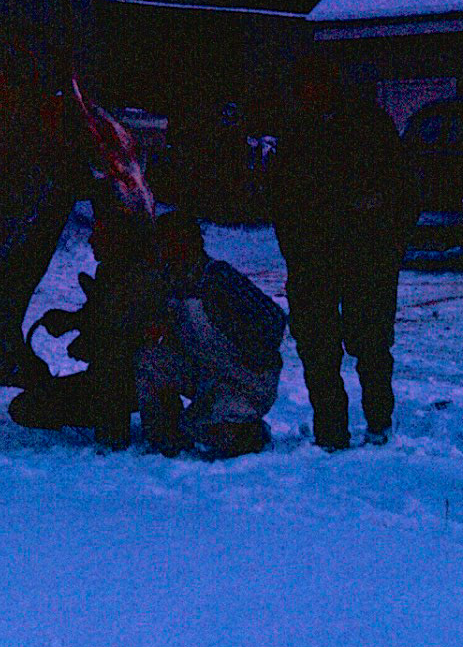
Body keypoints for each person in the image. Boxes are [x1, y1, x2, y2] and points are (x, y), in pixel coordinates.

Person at [268, 53, 414, 449]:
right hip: (313, 261)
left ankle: (379, 423)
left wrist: (387, 248)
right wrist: (296, 253)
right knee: (319, 349)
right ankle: (331, 428)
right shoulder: (298, 132)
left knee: (370, 345)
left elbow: (402, 193)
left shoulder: (370, 126)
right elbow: (281, 199)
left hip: (366, 259)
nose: (307, 95)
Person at [135, 212, 284, 458]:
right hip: (210, 376)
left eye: (171, 244)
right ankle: (166, 440)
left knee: (202, 429)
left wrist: (248, 357)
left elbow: (274, 320)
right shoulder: (171, 283)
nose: (165, 252)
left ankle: (247, 431)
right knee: (149, 362)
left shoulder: (218, 277)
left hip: (247, 381)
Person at [11, 208, 162, 448]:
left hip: (129, 380)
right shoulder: (110, 272)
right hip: (108, 376)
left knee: (106, 380)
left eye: (100, 234)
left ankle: (113, 432)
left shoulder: (142, 279)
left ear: (117, 240)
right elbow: (98, 317)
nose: (91, 240)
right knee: (27, 405)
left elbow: (126, 333)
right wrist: (71, 321)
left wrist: (89, 341)